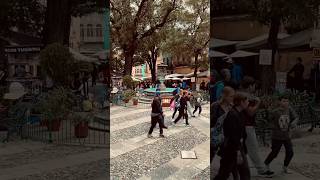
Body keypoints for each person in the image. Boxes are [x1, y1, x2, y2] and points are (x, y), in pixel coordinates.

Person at [240, 77, 274, 177]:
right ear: (250, 86)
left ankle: (237, 168)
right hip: (247, 125)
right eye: (254, 85)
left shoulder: (248, 96)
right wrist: (258, 103)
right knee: (253, 148)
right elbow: (250, 112)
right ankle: (262, 170)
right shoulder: (246, 97)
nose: (255, 87)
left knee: (244, 150)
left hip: (246, 125)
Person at [214, 92, 250, 180]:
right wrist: (237, 151)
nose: (248, 103)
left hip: (237, 147)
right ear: (241, 102)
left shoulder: (240, 113)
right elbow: (232, 135)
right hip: (231, 149)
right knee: (224, 174)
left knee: (244, 173)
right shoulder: (232, 115)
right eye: (247, 101)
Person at [264, 94, 298, 174]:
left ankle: (285, 166)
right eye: (283, 101)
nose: (286, 103)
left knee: (290, 152)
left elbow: (296, 117)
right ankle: (266, 164)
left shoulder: (289, 109)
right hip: (277, 136)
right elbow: (268, 120)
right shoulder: (275, 111)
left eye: (287, 101)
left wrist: (294, 123)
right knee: (275, 152)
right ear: (280, 102)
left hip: (286, 135)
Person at [211, 86, 235, 161]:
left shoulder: (232, 107)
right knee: (211, 155)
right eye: (231, 96)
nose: (232, 98)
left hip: (226, 136)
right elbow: (212, 120)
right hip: (216, 135)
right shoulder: (216, 106)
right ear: (225, 96)